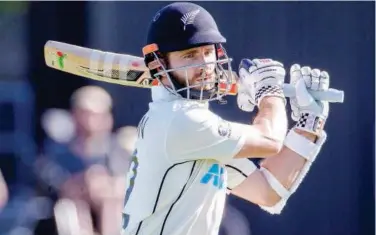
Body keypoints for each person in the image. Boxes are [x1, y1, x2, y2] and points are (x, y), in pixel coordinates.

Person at [122, 2, 332, 235]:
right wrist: (268, 91)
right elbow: (270, 140)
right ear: (159, 63)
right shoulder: (178, 120)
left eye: (208, 52)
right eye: (190, 55)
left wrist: (309, 124)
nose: (205, 65)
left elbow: (267, 191)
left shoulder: (195, 128)